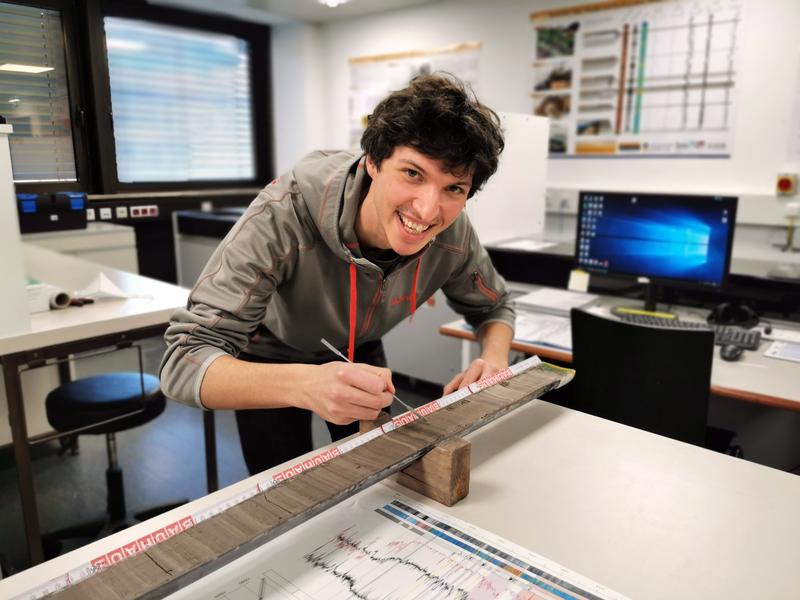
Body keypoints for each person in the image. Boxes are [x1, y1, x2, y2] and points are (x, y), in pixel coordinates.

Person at [160, 73, 515, 475]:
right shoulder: (283, 213)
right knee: (284, 493)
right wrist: (304, 384)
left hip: (358, 348)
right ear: (373, 163)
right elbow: (182, 360)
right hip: (270, 353)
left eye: (454, 188)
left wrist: (494, 357)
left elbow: (496, 306)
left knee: (376, 477)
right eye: (413, 173)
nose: (428, 210)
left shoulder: (453, 231)